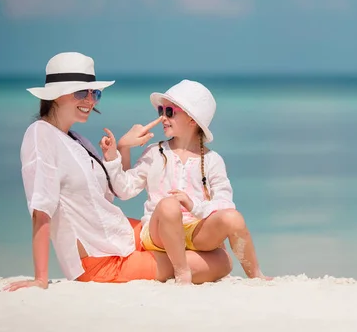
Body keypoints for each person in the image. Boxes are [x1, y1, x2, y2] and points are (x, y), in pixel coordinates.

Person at [4, 52, 232, 292]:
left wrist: (123, 147)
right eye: (82, 92)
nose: (91, 101)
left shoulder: (78, 140)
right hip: (99, 260)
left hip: (118, 231)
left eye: (95, 93)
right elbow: (41, 208)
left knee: (210, 246)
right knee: (219, 262)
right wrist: (41, 278)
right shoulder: (40, 135)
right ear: (57, 96)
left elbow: (114, 192)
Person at [100, 79, 271, 284]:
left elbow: (224, 203)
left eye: (170, 112)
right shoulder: (155, 152)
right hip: (158, 233)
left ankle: (256, 276)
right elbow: (125, 190)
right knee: (169, 205)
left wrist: (194, 206)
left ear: (192, 120)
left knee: (233, 218)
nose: (163, 117)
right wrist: (121, 149)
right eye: (161, 111)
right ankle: (183, 273)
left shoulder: (212, 160)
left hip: (194, 232)